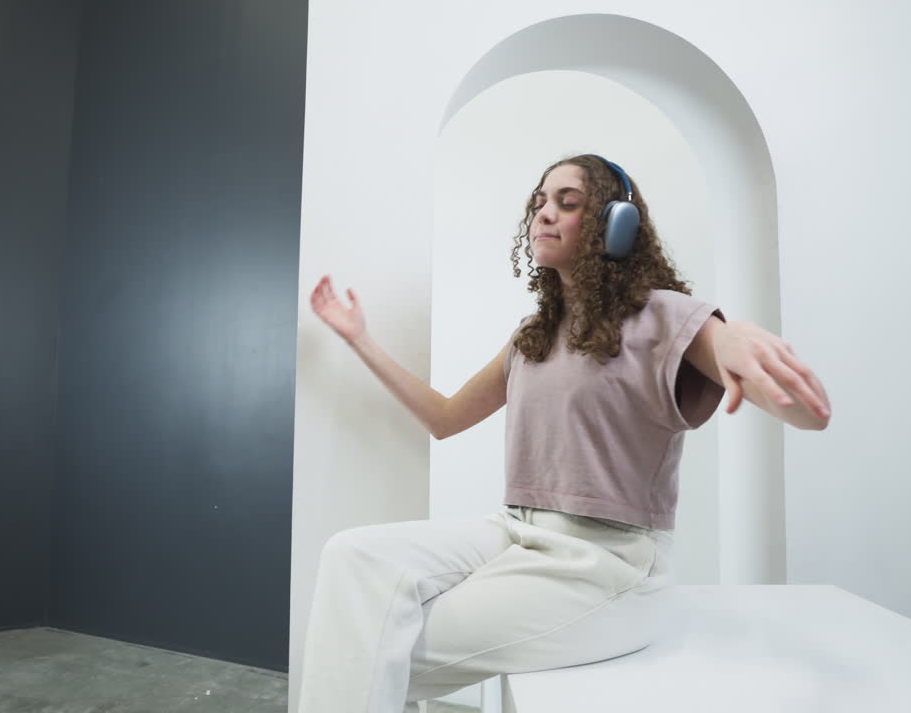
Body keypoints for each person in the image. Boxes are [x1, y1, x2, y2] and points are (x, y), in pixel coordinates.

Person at [300, 154, 832, 712]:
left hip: (608, 561)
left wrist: (734, 341)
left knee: (369, 646)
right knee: (353, 556)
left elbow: (803, 412)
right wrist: (359, 339)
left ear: (615, 224)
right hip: (515, 530)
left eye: (567, 202)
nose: (544, 213)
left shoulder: (665, 316)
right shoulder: (533, 335)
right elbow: (444, 417)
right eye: (539, 202)